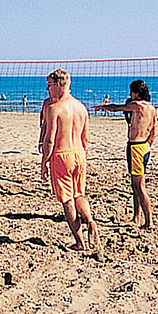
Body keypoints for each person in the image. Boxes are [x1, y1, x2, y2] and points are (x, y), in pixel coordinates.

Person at [40, 69, 101, 256]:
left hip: (62, 154)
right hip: (79, 153)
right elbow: (85, 138)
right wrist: (82, 155)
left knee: (67, 200)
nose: (47, 90)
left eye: (49, 85)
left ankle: (80, 242)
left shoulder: (54, 108)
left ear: (59, 85)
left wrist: (44, 162)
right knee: (79, 194)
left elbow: (50, 140)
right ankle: (90, 221)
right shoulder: (81, 108)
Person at [94, 80, 157, 229]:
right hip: (144, 146)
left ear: (136, 93)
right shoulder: (152, 108)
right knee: (135, 186)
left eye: (131, 92)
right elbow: (153, 131)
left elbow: (116, 107)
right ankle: (136, 218)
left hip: (136, 147)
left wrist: (103, 107)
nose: (130, 94)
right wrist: (147, 145)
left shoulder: (137, 105)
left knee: (139, 187)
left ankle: (149, 222)